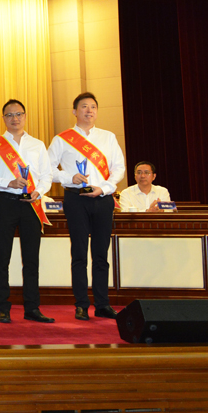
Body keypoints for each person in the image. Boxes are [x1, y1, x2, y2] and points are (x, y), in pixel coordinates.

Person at [48, 92, 126, 321]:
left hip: (103, 199)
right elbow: (48, 169)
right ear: (75, 111)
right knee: (79, 254)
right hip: (76, 199)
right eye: (84, 106)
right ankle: (81, 304)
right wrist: (68, 177)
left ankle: (102, 304)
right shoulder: (62, 139)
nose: (89, 110)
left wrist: (105, 188)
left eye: (93, 107)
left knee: (101, 254)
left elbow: (119, 168)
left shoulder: (108, 137)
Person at [0, 99, 55, 324]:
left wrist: (39, 191)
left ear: (25, 116)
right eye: (9, 115)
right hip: (6, 202)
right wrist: (9, 182)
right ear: (3, 118)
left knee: (31, 258)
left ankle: (32, 307)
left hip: (31, 204)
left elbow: (47, 175)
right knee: (2, 256)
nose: (14, 118)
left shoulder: (37, 145)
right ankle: (3, 307)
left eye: (19, 114)